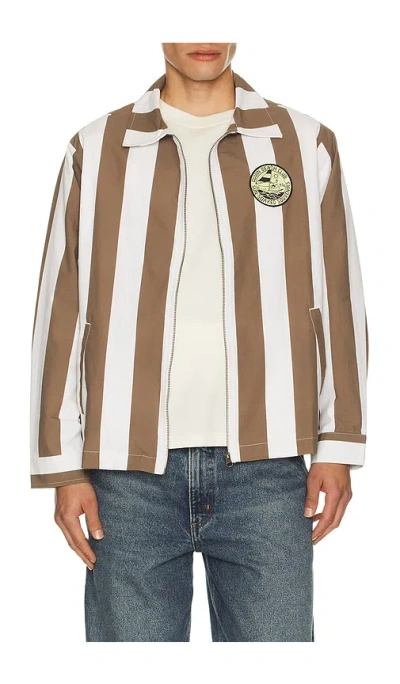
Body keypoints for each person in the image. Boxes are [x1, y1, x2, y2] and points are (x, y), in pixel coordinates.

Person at [30, 42, 368, 642]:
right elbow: (62, 310)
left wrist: (338, 444)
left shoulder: (303, 141)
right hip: (125, 474)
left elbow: (337, 296)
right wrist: (62, 467)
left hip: (268, 471)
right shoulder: (97, 146)